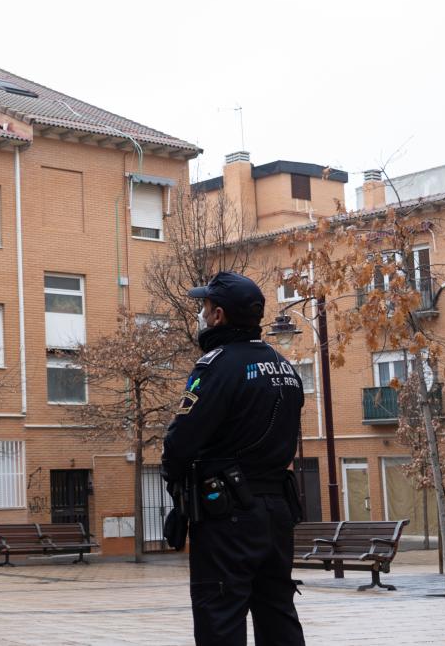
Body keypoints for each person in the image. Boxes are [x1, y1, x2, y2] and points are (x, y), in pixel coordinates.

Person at [162, 271, 306, 646]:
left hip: (228, 516)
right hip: (277, 513)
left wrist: (174, 484)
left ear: (218, 316)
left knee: (220, 617)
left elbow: (180, 443)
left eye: (205, 307)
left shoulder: (217, 365)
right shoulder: (285, 368)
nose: (201, 314)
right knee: (278, 614)